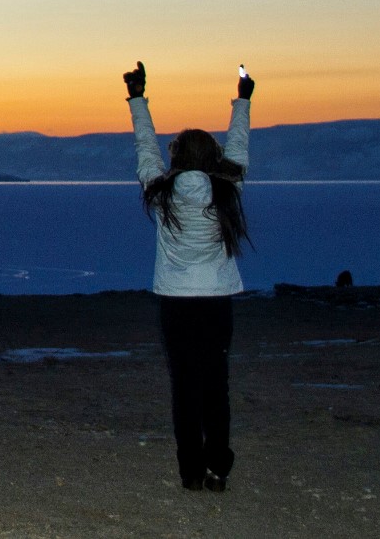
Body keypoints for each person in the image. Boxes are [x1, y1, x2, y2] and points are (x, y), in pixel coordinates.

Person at [126, 59, 253, 493]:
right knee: (216, 384)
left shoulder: (160, 195)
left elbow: (145, 148)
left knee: (185, 389)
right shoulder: (227, 191)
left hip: (177, 304)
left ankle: (191, 472)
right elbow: (239, 149)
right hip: (216, 303)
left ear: (176, 158)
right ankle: (218, 466)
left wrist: (138, 98)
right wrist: (242, 101)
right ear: (213, 158)